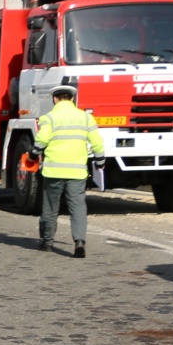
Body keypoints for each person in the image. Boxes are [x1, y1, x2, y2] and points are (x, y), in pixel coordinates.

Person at [33, 83, 105, 258]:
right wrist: (100, 160)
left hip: (53, 172)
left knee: (50, 207)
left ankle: (47, 242)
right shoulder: (86, 118)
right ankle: (79, 242)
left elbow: (42, 140)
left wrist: (33, 154)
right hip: (77, 172)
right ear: (72, 99)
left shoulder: (49, 117)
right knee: (78, 207)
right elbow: (96, 141)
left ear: (55, 99)